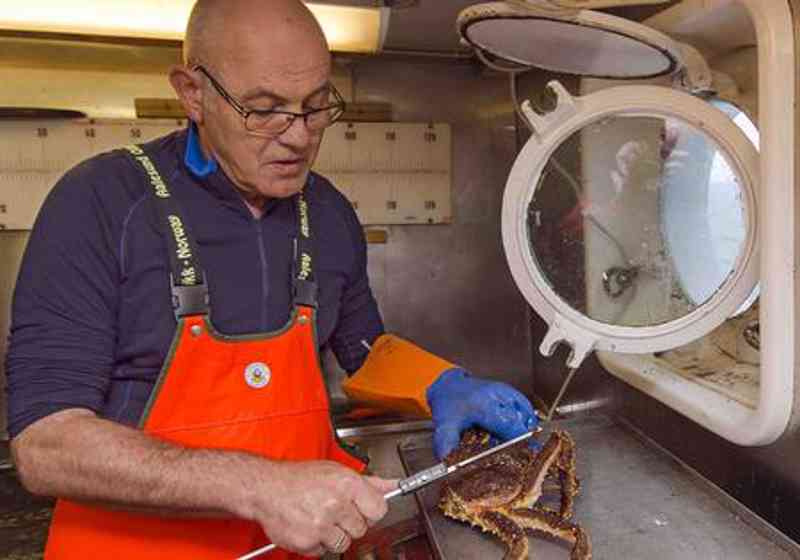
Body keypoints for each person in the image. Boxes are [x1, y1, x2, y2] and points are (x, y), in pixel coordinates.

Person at [4, 1, 538, 558]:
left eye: (315, 107)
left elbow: (362, 349)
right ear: (193, 93)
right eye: (264, 110)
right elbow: (47, 443)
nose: (299, 137)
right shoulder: (101, 202)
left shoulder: (328, 212)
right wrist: (257, 486)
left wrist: (442, 383)